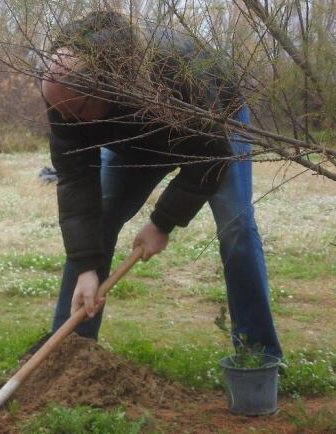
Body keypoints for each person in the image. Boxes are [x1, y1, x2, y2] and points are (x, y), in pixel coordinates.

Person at [40, 11, 282, 358]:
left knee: (236, 227)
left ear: (104, 88)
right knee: (101, 217)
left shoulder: (168, 72)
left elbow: (211, 155)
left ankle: (258, 354)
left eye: (74, 113)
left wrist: (162, 223)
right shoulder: (65, 99)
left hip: (213, 124)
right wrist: (86, 268)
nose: (65, 122)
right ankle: (69, 354)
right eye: (57, 111)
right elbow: (77, 181)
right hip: (135, 138)